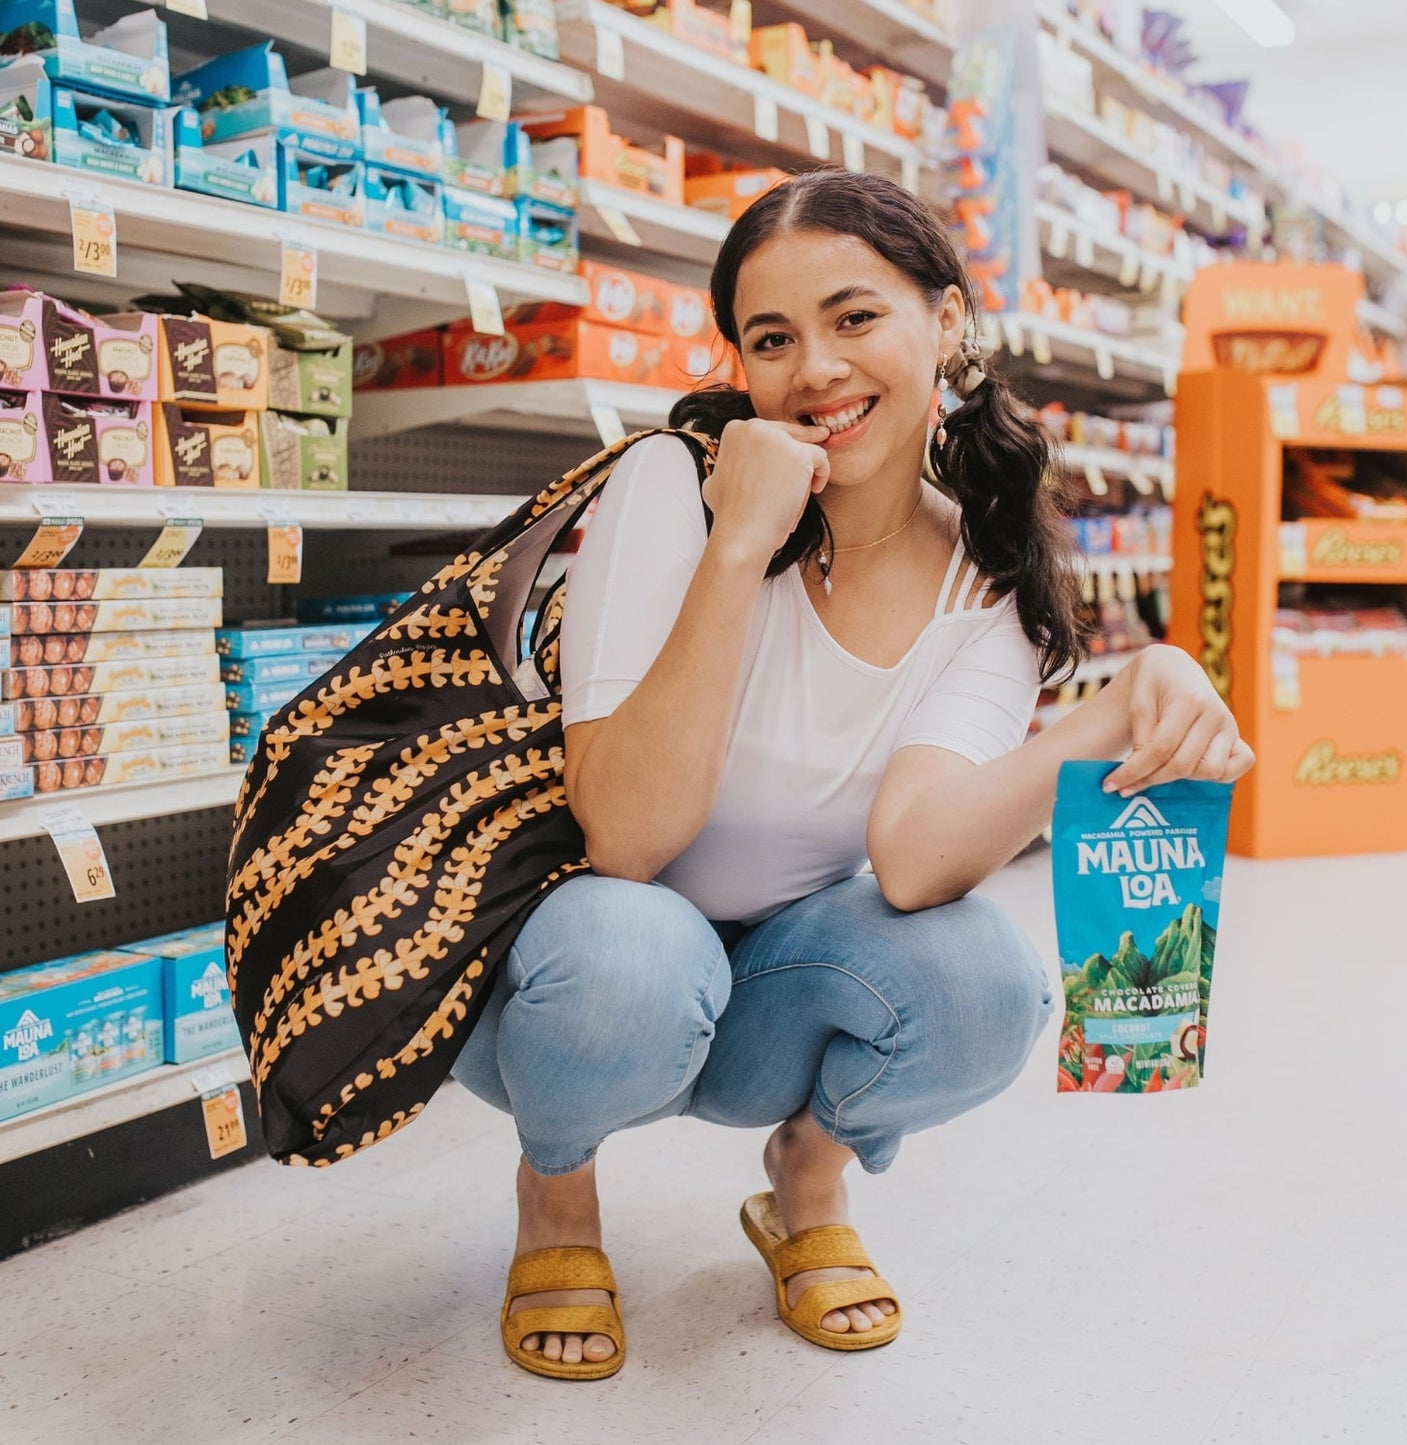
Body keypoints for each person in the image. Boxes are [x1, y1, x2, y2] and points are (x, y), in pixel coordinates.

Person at [451, 169, 1254, 1381]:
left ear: (945, 322)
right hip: (574, 991)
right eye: (772, 338)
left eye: (853, 316)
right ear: (741, 367)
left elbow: (917, 854)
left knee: (989, 980)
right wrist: (739, 542)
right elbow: (625, 834)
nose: (815, 366)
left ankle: (806, 1179)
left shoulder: (984, 587)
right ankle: (556, 1183)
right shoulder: (672, 483)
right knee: (633, 945)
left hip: (776, 995)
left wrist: (1120, 708)